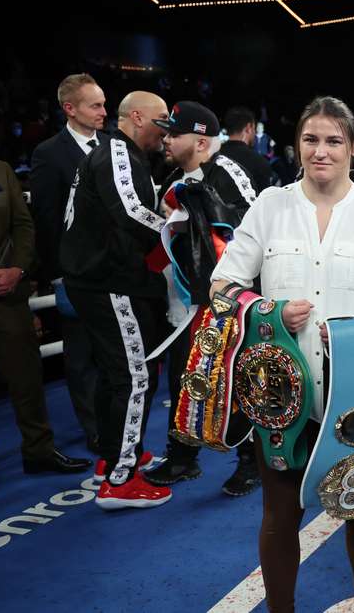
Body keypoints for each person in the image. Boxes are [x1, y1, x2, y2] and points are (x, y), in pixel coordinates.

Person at [210, 96, 354, 612]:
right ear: (297, 146)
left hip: (353, 396)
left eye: (334, 140)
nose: (321, 151)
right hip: (278, 396)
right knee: (279, 516)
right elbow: (222, 286)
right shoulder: (270, 205)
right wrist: (267, 310)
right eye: (311, 139)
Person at [59, 90, 173, 510]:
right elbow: (130, 211)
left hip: (98, 279)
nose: (166, 132)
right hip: (108, 281)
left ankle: (114, 454)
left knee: (115, 373)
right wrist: (175, 233)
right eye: (162, 121)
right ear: (138, 117)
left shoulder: (116, 153)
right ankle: (121, 478)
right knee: (134, 375)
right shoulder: (117, 151)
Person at [141, 100, 261, 496]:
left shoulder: (227, 173)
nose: (167, 139)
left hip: (228, 302)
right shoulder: (172, 176)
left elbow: (251, 230)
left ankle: (251, 462)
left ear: (202, 140)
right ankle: (182, 457)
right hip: (185, 301)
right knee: (183, 378)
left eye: (175, 133)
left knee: (235, 380)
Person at [0, 156, 91, 478]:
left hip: (5, 294)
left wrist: (17, 269)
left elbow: (23, 224)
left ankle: (39, 451)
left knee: (27, 377)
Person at [30, 73, 109, 453]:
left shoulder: (113, 146)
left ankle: (117, 422)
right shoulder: (49, 154)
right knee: (80, 357)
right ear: (70, 108)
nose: (103, 112)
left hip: (116, 271)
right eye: (95, 105)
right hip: (75, 273)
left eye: (104, 104)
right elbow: (47, 220)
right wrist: (58, 276)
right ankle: (95, 430)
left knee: (113, 352)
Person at [220, 106, 276, 191]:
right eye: (254, 129)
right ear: (248, 128)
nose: (255, 133)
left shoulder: (210, 158)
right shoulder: (260, 163)